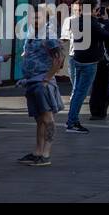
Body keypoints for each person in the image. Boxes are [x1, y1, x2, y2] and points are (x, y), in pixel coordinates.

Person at [18, 10, 65, 166]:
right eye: (32, 17)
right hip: (31, 82)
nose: (34, 19)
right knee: (39, 119)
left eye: (38, 17)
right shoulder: (31, 35)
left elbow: (59, 59)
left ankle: (45, 154)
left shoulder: (49, 36)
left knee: (47, 119)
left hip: (42, 83)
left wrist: (47, 78)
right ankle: (37, 152)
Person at [65, 0, 106, 134]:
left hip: (77, 59)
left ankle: (71, 120)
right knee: (80, 93)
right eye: (96, 9)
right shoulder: (92, 24)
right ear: (92, 10)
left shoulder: (77, 21)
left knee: (77, 91)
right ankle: (72, 122)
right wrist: (106, 21)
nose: (98, 12)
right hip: (89, 63)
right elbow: (107, 35)